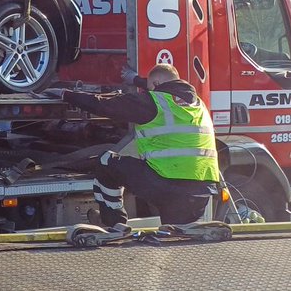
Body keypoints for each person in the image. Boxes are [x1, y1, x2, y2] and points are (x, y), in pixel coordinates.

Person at [47, 63, 220, 230]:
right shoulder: (198, 104)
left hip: (167, 185)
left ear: (156, 85)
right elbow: (162, 85)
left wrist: (65, 94)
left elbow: (104, 105)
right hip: (200, 192)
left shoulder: (153, 102)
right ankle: (182, 229)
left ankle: (114, 222)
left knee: (106, 161)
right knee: (174, 233)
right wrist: (136, 79)